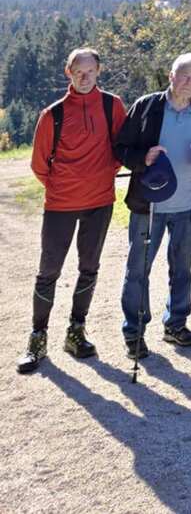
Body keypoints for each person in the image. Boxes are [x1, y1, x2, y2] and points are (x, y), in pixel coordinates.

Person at [16, 48, 127, 374]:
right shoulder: (53, 114)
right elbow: (39, 165)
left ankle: (76, 332)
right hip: (61, 205)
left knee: (89, 268)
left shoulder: (112, 106)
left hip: (100, 202)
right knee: (48, 272)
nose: (84, 77)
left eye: (90, 71)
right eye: (78, 71)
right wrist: (64, 186)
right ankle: (38, 338)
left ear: (98, 71)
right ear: (68, 72)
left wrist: (104, 173)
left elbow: (120, 148)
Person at [117, 53, 191, 358]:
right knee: (138, 270)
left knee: (182, 270)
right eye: (184, 76)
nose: (189, 83)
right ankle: (134, 332)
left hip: (187, 206)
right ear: (171, 75)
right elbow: (121, 147)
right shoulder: (147, 106)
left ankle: (176, 324)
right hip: (147, 206)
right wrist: (143, 159)